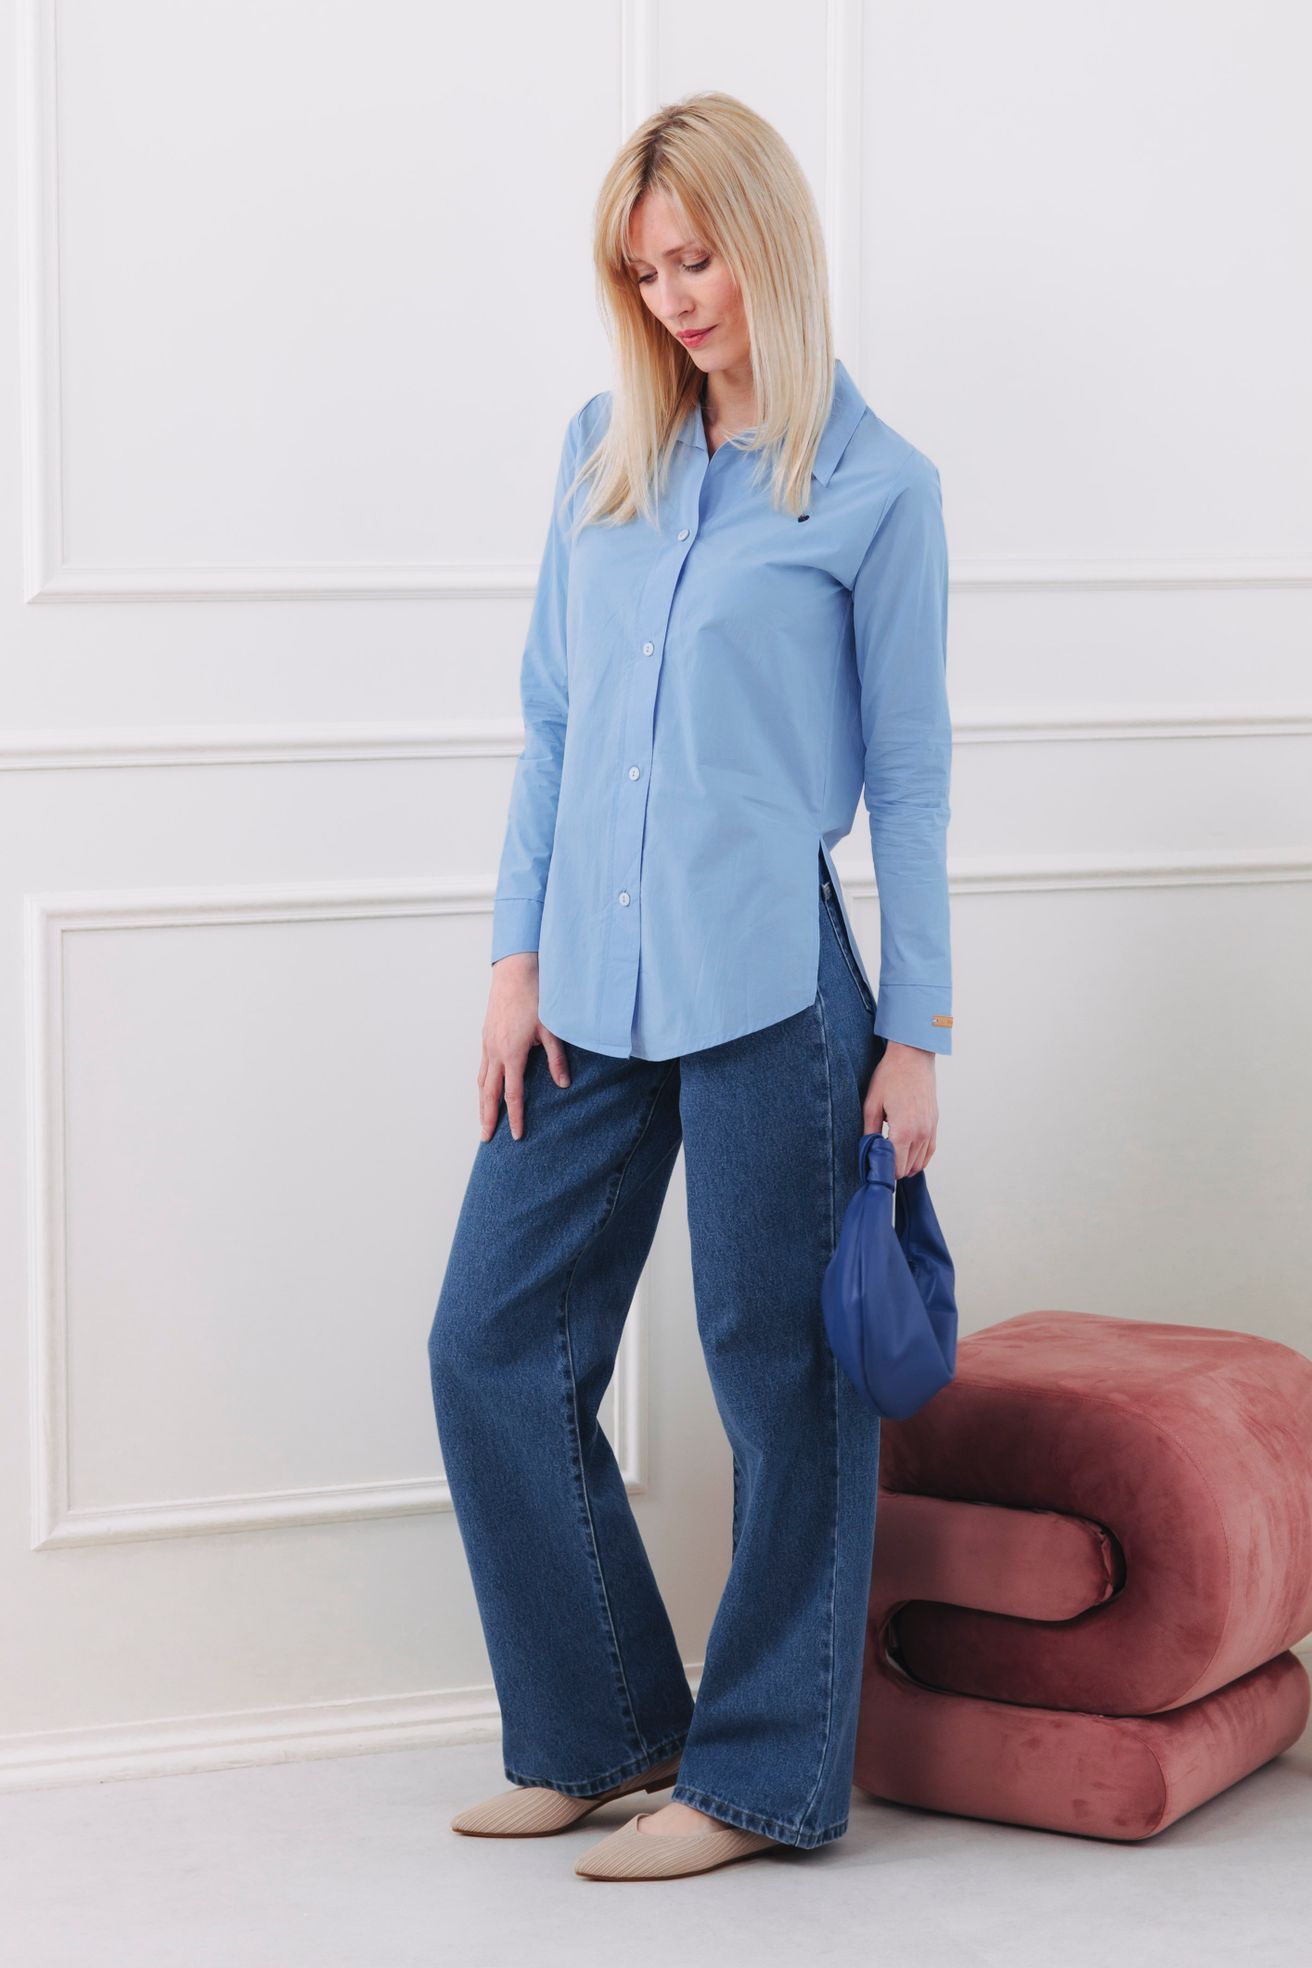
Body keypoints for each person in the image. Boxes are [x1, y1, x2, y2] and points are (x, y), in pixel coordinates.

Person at [428, 89, 953, 1884]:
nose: (674, 299)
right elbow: (552, 720)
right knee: (491, 1344)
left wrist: (916, 1033)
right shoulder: (603, 448)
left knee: (775, 1374)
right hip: (586, 976)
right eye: (645, 272)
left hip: (769, 990)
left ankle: (758, 1784)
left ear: (771, 244)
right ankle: (599, 1735)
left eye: (699, 259)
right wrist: (512, 957)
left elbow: (913, 781)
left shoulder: (878, 488)